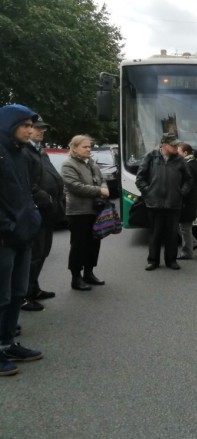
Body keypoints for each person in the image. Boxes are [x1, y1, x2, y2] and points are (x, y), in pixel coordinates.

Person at [0, 104, 44, 376]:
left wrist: (33, 218)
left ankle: (7, 343)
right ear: (8, 124)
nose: (30, 130)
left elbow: (27, 192)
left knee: (17, 294)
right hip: (4, 237)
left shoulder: (22, 153)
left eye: (31, 125)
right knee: (1, 296)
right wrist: (6, 226)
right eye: (25, 125)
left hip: (23, 234)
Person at [22, 116, 65, 311]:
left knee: (43, 252)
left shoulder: (39, 150)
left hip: (47, 212)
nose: (41, 131)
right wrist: (46, 199)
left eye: (42, 128)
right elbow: (28, 183)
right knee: (33, 255)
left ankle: (34, 288)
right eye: (36, 128)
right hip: (36, 210)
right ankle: (23, 295)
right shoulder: (25, 151)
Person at [136, 133, 193, 271]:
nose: (176, 147)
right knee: (155, 234)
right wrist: (148, 191)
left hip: (174, 203)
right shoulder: (150, 157)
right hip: (154, 203)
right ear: (163, 145)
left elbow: (188, 179)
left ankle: (171, 260)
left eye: (177, 145)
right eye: (173, 145)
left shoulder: (180, 160)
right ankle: (153, 261)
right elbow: (140, 178)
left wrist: (182, 192)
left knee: (172, 234)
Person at [61, 135, 109, 291]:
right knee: (78, 245)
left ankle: (89, 273)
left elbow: (102, 178)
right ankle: (76, 277)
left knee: (94, 243)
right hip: (78, 211)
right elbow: (75, 186)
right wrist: (99, 190)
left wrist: (104, 186)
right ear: (74, 148)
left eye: (90, 146)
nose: (89, 149)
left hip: (95, 210)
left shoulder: (92, 163)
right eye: (85, 146)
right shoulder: (69, 165)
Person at [176, 142, 197, 260]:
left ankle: (187, 252)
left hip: (186, 202)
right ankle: (193, 243)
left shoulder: (188, 165)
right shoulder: (192, 162)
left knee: (184, 227)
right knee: (181, 226)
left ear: (185, 153)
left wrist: (179, 196)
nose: (176, 153)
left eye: (178, 152)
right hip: (189, 201)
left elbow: (187, 185)